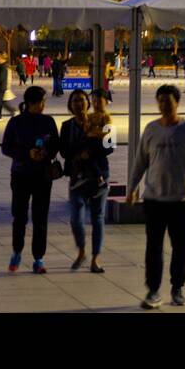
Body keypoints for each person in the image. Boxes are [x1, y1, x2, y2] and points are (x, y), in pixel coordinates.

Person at [126, 85, 185, 309]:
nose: (164, 105)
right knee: (153, 247)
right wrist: (132, 187)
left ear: (177, 103)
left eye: (168, 101)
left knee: (180, 246)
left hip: (181, 200)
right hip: (154, 199)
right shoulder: (151, 129)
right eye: (161, 101)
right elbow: (140, 162)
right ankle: (153, 290)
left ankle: (177, 287)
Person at [0, 85, 59, 273]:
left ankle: (38, 258)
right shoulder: (16, 122)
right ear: (33, 103)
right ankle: (17, 251)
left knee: (40, 217)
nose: (43, 105)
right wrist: (27, 154)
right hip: (21, 174)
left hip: (43, 176)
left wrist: (46, 153)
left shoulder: (48, 121)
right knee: (20, 216)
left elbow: (56, 146)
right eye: (42, 102)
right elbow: (6, 147)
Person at [60, 89, 111, 273]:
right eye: (75, 101)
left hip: (100, 174)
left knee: (98, 218)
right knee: (76, 219)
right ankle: (81, 251)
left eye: (82, 100)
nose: (78, 104)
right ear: (70, 105)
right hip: (77, 176)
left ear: (88, 103)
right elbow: (64, 151)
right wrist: (79, 153)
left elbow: (110, 146)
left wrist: (91, 151)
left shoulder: (100, 119)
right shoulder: (66, 126)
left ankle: (96, 258)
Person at [0, 51, 18, 121]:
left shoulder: (4, 66)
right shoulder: (3, 65)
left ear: (0, 58)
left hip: (1, 87)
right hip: (2, 86)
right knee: (1, 101)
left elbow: (1, 78)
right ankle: (11, 111)